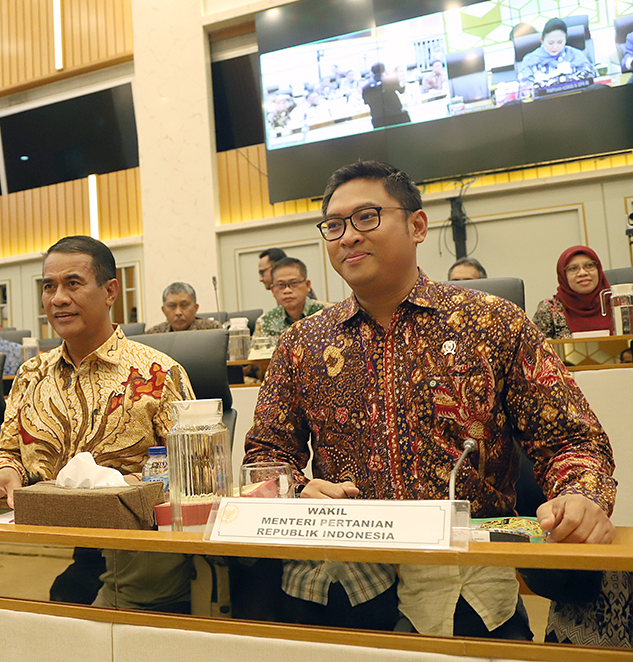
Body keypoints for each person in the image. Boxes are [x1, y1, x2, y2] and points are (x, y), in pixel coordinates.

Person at [244, 160, 615, 637]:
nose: (348, 237)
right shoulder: (303, 342)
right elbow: (266, 457)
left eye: (367, 217)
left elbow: (572, 440)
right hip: (349, 584)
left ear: (417, 225)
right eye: (334, 226)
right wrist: (296, 487)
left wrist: (581, 496)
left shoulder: (492, 322)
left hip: (470, 584)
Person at [0, 235, 195, 612]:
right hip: (47, 541)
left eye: (73, 283)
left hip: (138, 550)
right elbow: (8, 451)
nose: (58, 299)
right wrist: (2, 471)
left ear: (110, 291)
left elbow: (192, 473)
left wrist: (136, 486)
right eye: (48, 287)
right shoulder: (31, 374)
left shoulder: (159, 372)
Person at [532, 245, 611, 339]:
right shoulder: (549, 310)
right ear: (563, 276)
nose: (582, 273)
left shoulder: (619, 304)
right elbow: (532, 349)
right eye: (573, 268)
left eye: (589, 266)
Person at [252, 258, 327, 339]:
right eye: (281, 285)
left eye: (293, 283)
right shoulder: (264, 322)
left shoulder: (327, 314)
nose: (287, 290)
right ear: (273, 290)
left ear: (307, 285)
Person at [517, 18, 593, 88]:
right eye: (550, 43)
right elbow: (525, 86)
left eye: (560, 42)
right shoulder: (531, 60)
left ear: (566, 39)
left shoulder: (575, 55)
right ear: (542, 40)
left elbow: (591, 76)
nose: (555, 47)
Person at [146, 282, 223, 333]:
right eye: (172, 306)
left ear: (195, 308)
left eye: (184, 305)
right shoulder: (154, 334)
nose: (178, 312)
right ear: (163, 310)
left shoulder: (212, 330)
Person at [362, 62, 410, 128]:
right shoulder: (391, 80)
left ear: (372, 73)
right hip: (397, 117)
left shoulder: (366, 88)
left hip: (378, 120)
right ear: (384, 70)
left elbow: (366, 102)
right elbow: (401, 90)